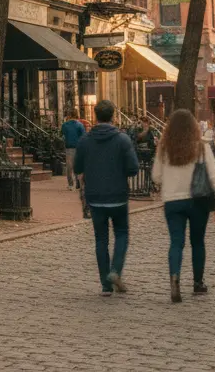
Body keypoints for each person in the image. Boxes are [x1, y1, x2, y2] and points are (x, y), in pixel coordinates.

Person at [151, 108, 215, 302]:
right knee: (197, 242)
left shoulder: (164, 149)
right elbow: (213, 177)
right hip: (198, 200)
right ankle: (198, 283)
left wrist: (170, 181)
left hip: (172, 201)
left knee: (176, 242)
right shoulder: (201, 147)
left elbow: (156, 176)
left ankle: (175, 278)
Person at [73, 100, 140, 296]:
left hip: (95, 196)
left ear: (96, 116)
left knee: (101, 239)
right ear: (113, 116)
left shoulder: (85, 140)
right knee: (122, 234)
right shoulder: (122, 139)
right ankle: (115, 270)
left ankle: (105, 285)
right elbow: (133, 168)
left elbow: (77, 167)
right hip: (118, 195)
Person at [61, 109, 87, 190]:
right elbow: (83, 137)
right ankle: (78, 183)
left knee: (69, 167)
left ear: (69, 115)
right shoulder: (80, 125)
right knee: (78, 165)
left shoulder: (65, 125)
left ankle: (70, 184)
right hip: (78, 147)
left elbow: (63, 135)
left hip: (69, 147)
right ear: (77, 115)